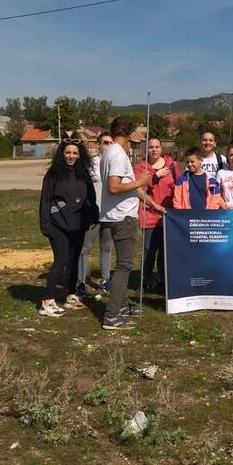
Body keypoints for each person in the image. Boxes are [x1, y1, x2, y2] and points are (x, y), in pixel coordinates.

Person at [99, 116, 151, 331]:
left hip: (113, 216)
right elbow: (114, 186)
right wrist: (140, 181)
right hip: (123, 218)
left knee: (121, 264)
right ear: (129, 134)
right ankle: (111, 317)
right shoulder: (119, 154)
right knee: (125, 266)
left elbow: (128, 186)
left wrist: (152, 204)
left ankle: (120, 305)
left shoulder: (109, 152)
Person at [38, 140, 98, 317]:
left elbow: (91, 198)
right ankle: (47, 302)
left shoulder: (83, 173)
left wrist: (93, 213)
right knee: (61, 260)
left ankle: (71, 296)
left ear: (80, 155)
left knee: (74, 260)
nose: (71, 156)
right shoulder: (53, 174)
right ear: (62, 154)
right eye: (68, 153)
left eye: (75, 153)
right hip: (58, 226)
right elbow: (45, 201)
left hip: (78, 225)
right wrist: (45, 224)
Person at [134, 137, 179, 293]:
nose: (154, 149)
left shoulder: (172, 165)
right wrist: (156, 175)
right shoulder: (141, 167)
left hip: (168, 215)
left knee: (165, 252)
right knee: (149, 250)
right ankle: (144, 281)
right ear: (146, 150)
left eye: (157, 146)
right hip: (150, 215)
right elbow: (138, 187)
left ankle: (163, 280)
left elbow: (179, 186)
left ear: (161, 148)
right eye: (151, 147)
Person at [77, 132, 113, 297]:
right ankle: (81, 283)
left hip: (110, 214)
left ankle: (105, 281)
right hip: (93, 213)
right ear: (98, 145)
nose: (108, 145)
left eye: (111, 143)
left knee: (106, 248)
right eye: (105, 142)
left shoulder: (116, 164)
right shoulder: (91, 164)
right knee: (85, 248)